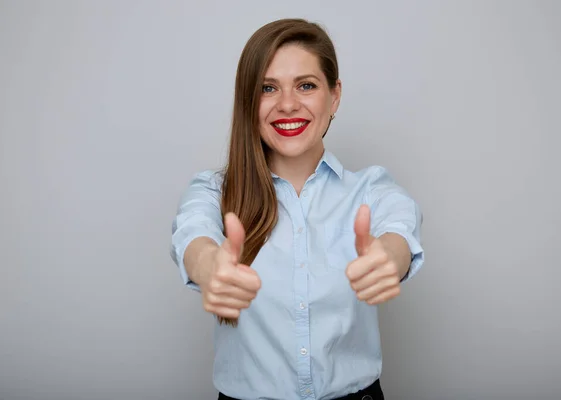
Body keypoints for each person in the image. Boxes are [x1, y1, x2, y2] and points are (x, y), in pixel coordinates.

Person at [170, 18, 424, 400]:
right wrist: (209, 267)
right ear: (248, 100)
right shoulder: (212, 191)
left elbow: (400, 226)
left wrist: (389, 256)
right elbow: (193, 234)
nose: (288, 104)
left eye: (306, 85)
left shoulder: (370, 189)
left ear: (334, 96)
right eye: (267, 88)